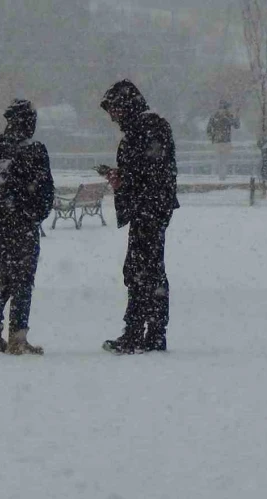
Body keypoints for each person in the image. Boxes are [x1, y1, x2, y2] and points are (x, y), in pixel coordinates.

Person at [98, 80, 179, 355]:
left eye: (115, 110)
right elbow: (150, 170)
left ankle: (137, 333)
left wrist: (125, 179)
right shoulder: (146, 129)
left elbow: (153, 171)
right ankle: (151, 333)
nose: (113, 117)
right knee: (146, 270)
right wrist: (124, 180)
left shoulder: (149, 128)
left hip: (150, 208)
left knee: (141, 271)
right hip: (149, 207)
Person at [0, 99, 54, 355]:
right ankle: (18, 339)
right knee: (23, 281)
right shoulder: (35, 150)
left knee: (0, 280)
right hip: (23, 226)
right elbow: (45, 192)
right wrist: (33, 215)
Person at [207, 100, 240, 181]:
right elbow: (236, 125)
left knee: (221, 161)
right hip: (224, 141)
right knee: (223, 161)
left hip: (220, 142)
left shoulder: (215, 116)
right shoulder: (226, 116)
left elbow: (208, 129)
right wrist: (237, 116)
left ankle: (221, 177)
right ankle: (222, 177)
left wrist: (212, 138)